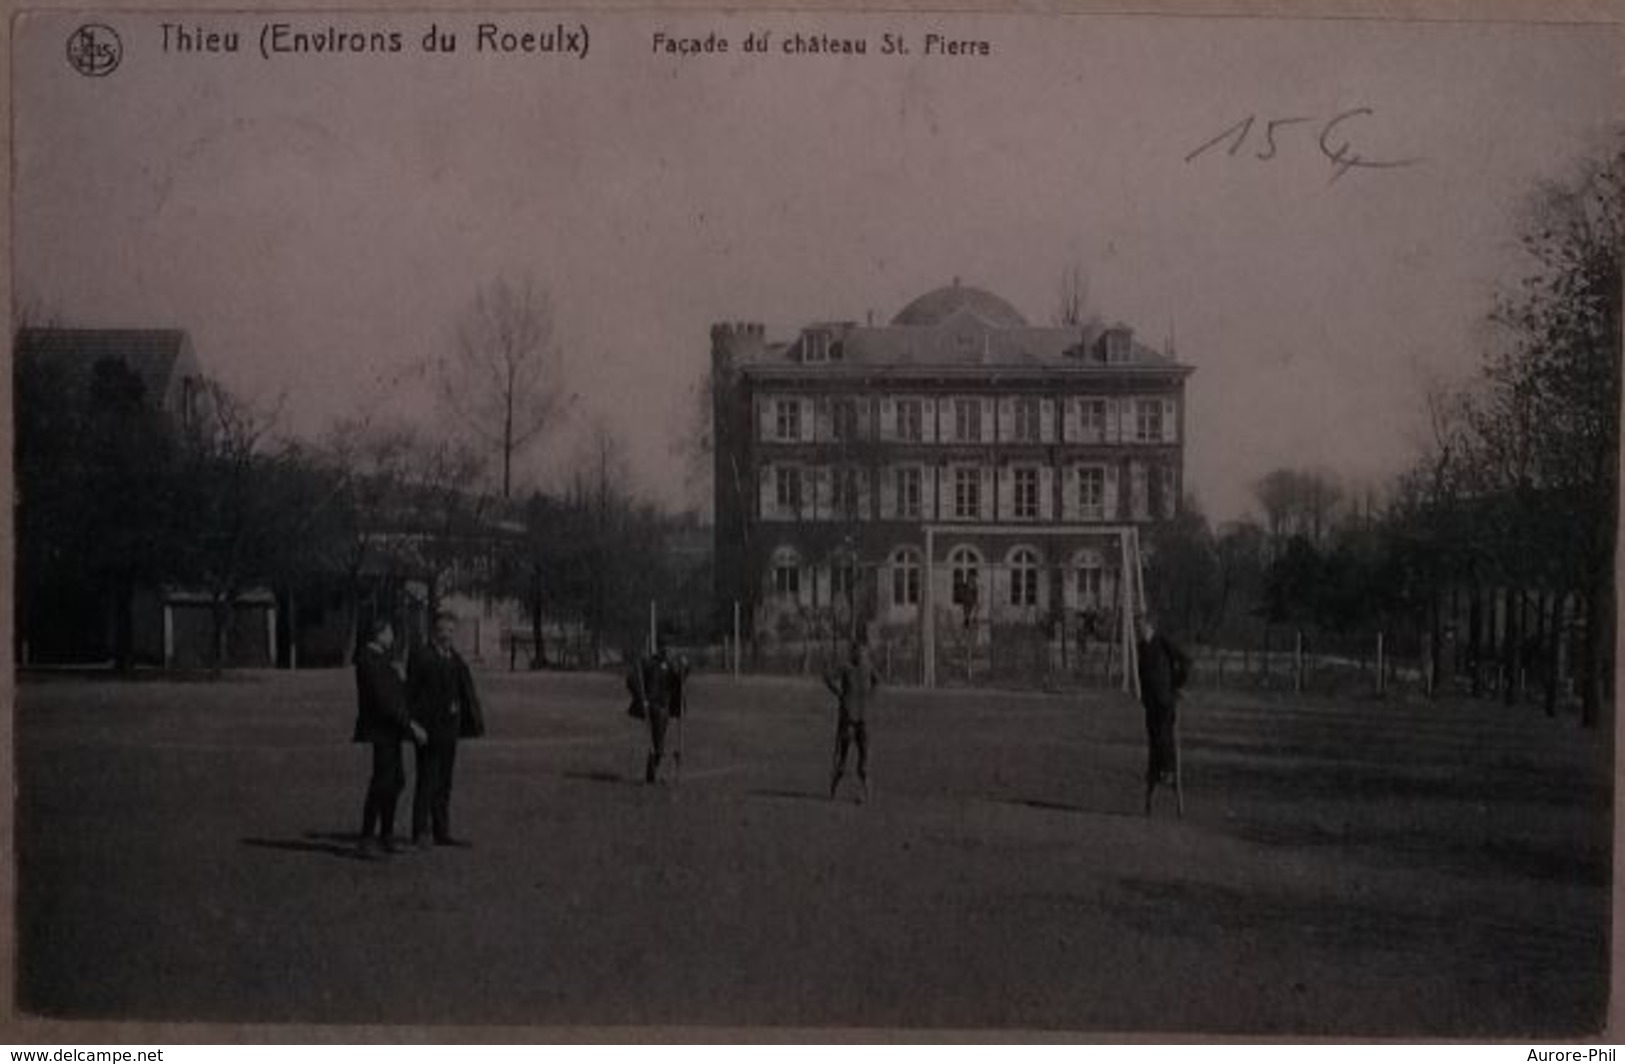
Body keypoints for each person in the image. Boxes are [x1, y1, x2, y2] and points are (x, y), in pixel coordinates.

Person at [407, 611, 486, 847]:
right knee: (426, 781)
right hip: (428, 730)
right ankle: (420, 830)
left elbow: (465, 691)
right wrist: (415, 725)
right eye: (443, 630)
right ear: (434, 631)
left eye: (451, 631)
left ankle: (442, 830)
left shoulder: (454, 659)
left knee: (444, 782)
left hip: (449, 730)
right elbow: (410, 694)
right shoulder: (422, 656)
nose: (447, 635)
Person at [352, 618, 424, 857]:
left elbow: (395, 694)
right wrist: (410, 725)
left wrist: (401, 678)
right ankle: (367, 836)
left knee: (395, 780)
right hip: (380, 729)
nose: (392, 637)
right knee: (382, 782)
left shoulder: (383, 660)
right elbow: (384, 701)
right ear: (380, 634)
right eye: (390, 632)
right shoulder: (368, 660)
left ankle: (386, 833)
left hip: (390, 730)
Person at [1136, 613, 1191, 816]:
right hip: (1150, 703)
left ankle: (1167, 771)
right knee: (1153, 741)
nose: (1138, 630)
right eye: (1137, 626)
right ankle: (1155, 776)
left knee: (1163, 736)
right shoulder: (1141, 647)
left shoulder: (1162, 642)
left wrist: (1176, 685)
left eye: (1140, 625)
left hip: (1166, 701)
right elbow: (1141, 673)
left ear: (1149, 625)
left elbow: (1185, 661)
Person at [825, 639, 881, 802]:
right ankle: (833, 790)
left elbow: (877, 681)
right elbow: (827, 677)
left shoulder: (868, 667)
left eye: (863, 652)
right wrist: (839, 693)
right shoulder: (845, 667)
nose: (861, 655)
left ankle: (867, 793)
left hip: (863, 718)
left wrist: (870, 696)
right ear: (853, 653)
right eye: (858, 652)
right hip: (848, 717)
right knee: (843, 757)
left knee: (864, 758)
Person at [628, 637, 689, 784]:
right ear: (660, 648)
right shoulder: (650, 663)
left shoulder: (671, 665)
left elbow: (679, 680)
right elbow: (631, 679)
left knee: (657, 743)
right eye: (665, 648)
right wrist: (642, 698)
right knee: (658, 744)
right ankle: (651, 774)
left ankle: (651, 774)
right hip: (653, 707)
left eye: (670, 648)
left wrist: (685, 668)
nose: (668, 651)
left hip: (665, 708)